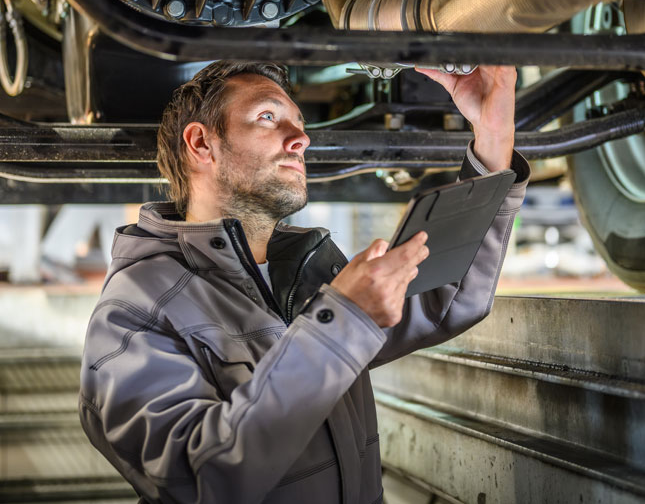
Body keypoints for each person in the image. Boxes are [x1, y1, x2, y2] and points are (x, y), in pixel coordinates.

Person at [79, 60, 529, 503]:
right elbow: (200, 478)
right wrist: (341, 322)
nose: (301, 139)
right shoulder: (137, 306)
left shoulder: (304, 269)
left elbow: (445, 300)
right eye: (268, 117)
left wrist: (492, 137)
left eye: (299, 122)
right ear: (200, 143)